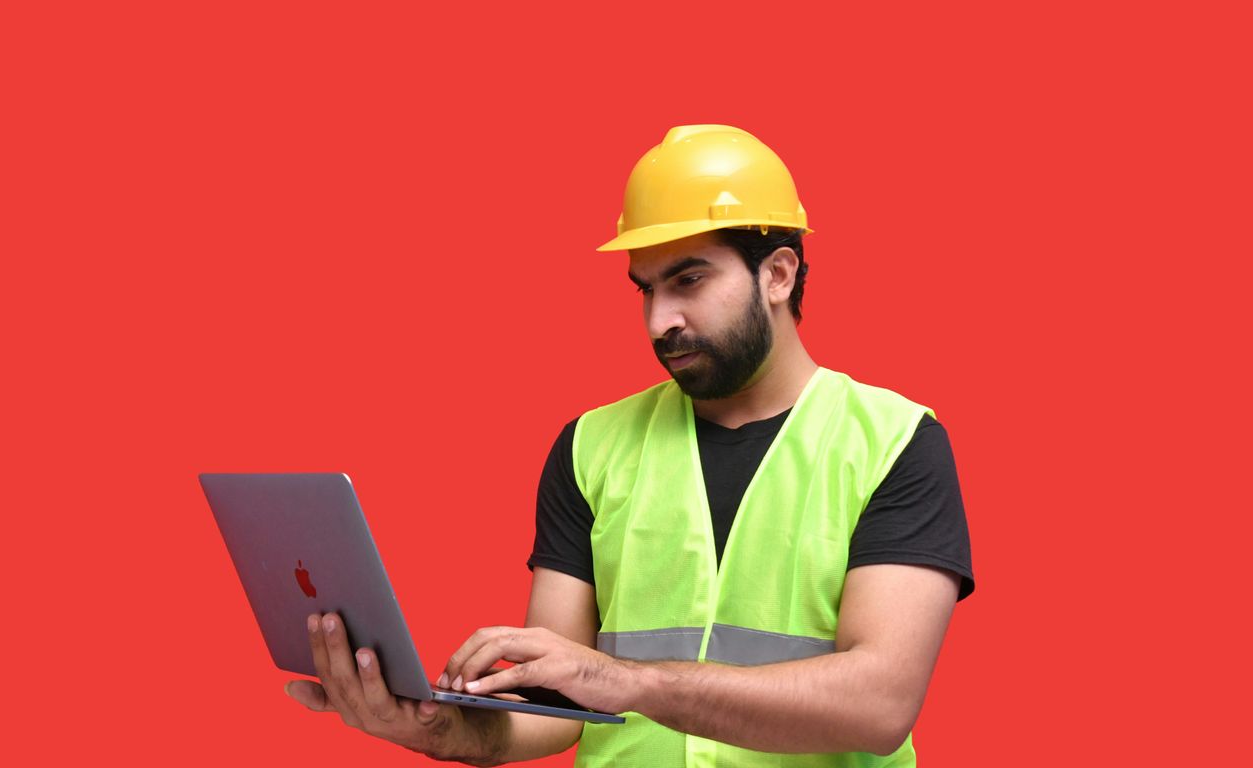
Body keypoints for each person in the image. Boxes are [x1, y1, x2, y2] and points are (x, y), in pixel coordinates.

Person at [285, 124, 974, 767]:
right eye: (645, 288)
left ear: (778, 274)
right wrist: (431, 724)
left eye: (689, 279)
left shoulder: (894, 443)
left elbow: (880, 703)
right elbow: (558, 709)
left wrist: (624, 681)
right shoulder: (591, 446)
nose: (659, 320)